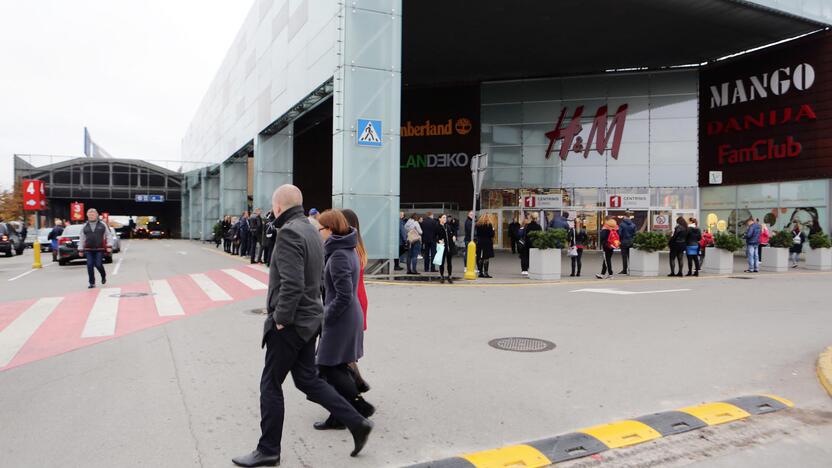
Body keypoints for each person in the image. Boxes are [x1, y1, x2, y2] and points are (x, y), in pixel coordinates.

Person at [232, 186, 372, 468]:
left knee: (270, 383)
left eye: (273, 206)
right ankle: (357, 421)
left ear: (279, 206)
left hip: (292, 323)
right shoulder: (310, 230)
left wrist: (281, 318)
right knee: (308, 380)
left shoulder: (288, 233)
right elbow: (316, 280)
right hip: (310, 321)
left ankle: (268, 449)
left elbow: (293, 284)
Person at [311, 209, 375, 431]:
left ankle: (359, 405)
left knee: (327, 366)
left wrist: (325, 316)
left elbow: (344, 295)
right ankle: (341, 414)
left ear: (330, 229)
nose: (318, 233)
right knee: (335, 365)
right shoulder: (346, 248)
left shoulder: (338, 255)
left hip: (341, 318)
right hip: (346, 315)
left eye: (320, 229)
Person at [77, 208, 113, 289]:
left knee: (98, 264)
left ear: (96, 215)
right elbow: (82, 238)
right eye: (90, 215)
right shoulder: (84, 226)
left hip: (99, 249)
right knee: (89, 265)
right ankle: (92, 283)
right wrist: (80, 249)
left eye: (93, 214)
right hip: (88, 249)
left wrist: (109, 246)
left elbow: (109, 235)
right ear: (87, 216)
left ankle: (103, 275)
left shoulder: (103, 225)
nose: (91, 216)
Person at [434, 214, 457, 284]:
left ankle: (450, 276)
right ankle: (442, 276)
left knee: (449, 263)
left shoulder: (448, 226)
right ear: (440, 219)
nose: (445, 219)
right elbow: (434, 236)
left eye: (445, 218)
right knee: (442, 263)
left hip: (449, 247)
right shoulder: (437, 226)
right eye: (443, 218)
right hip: (442, 247)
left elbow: (453, 232)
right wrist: (438, 240)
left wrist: (453, 236)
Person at [475, 214, 494, 278]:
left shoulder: (478, 225)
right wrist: (493, 230)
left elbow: (477, 234)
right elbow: (491, 234)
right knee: (486, 258)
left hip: (480, 242)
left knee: (480, 257)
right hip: (487, 242)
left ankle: (480, 272)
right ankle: (486, 273)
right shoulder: (489, 225)